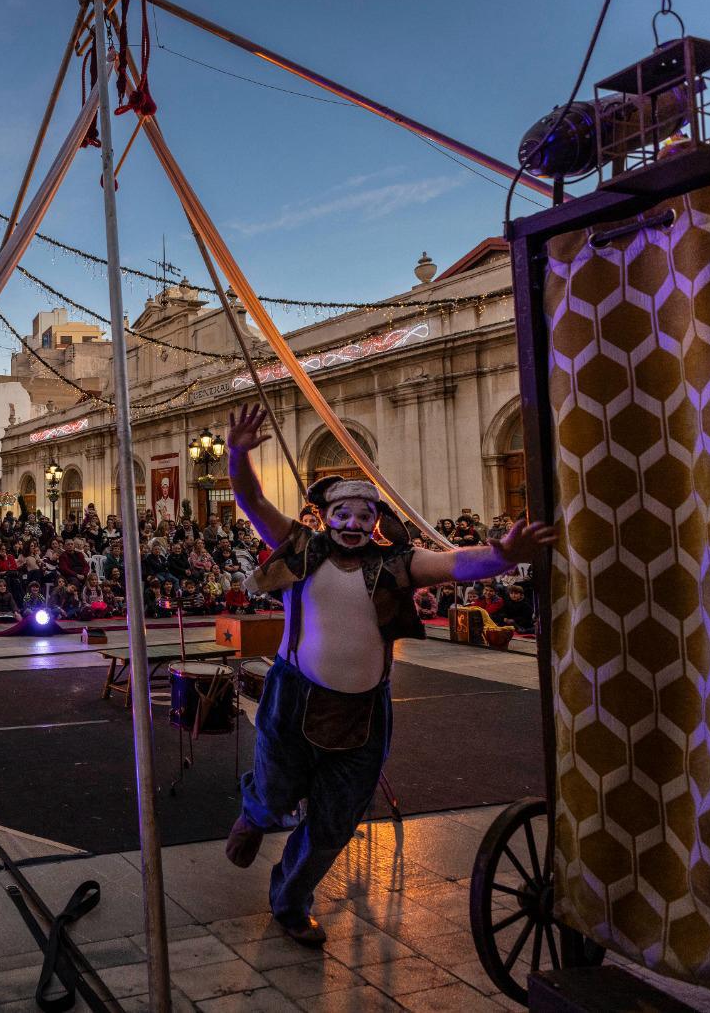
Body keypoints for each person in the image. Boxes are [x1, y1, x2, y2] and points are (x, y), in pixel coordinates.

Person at [219, 404, 556, 947]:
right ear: (324, 516)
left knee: (334, 823)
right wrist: (237, 453)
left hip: (364, 713)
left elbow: (457, 564)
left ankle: (290, 901)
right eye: (343, 514)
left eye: (363, 515)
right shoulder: (301, 548)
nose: (352, 524)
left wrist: (502, 556)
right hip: (294, 699)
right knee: (275, 789)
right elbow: (252, 501)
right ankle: (255, 817)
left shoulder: (397, 563)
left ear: (376, 520)